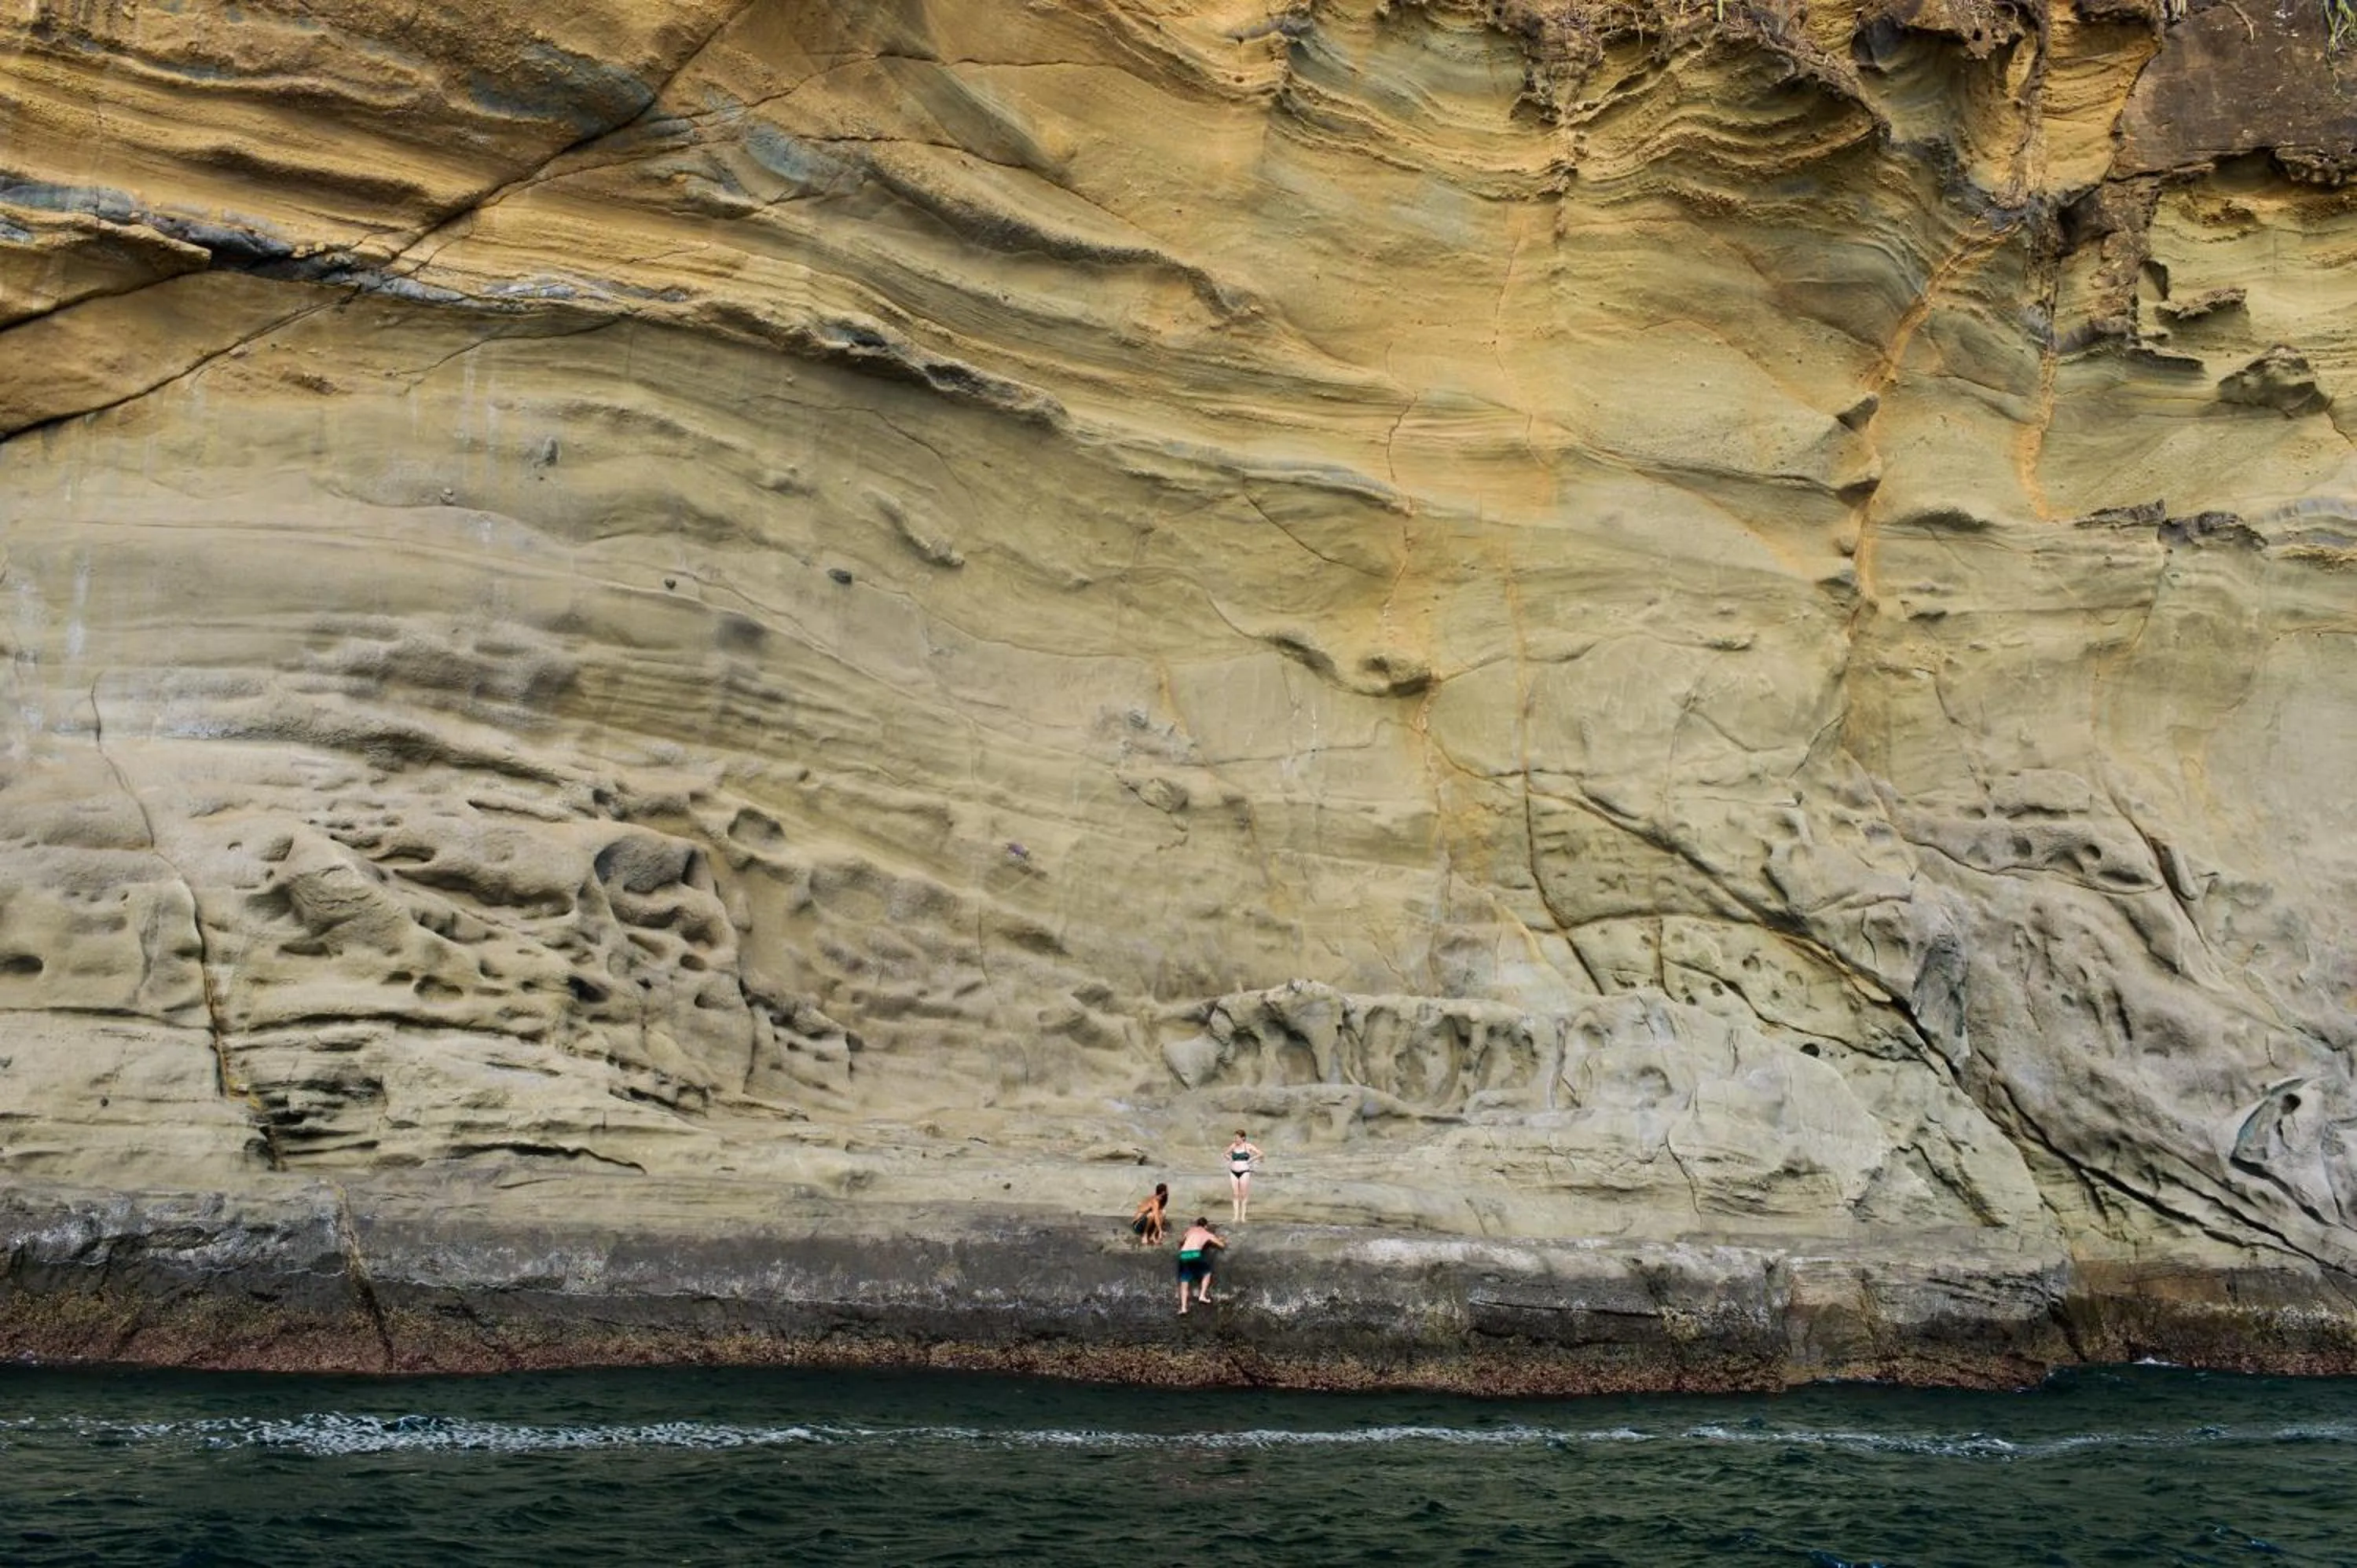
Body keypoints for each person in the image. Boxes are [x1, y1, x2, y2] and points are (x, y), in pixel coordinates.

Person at [1175, 1217, 1226, 1313]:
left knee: (1184, 1282)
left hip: (1183, 1255)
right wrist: (1221, 1240)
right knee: (1207, 1273)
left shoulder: (1190, 1230)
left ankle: (1184, 1308)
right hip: (1194, 1254)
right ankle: (1202, 1296)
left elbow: (1181, 1241)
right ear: (1206, 1226)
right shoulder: (1207, 1233)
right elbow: (1221, 1245)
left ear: (1197, 1224)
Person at [1225, 1130, 1264, 1223]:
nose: (1236, 1139)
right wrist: (1231, 1160)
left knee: (1243, 1194)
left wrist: (1251, 1160)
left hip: (1245, 1171)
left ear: (1243, 1138)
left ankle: (1243, 1217)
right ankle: (1235, 1217)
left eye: (1238, 1138)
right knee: (1235, 1194)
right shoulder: (1233, 1145)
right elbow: (1225, 1154)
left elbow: (1261, 1153)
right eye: (1235, 1138)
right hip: (1233, 1171)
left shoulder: (1248, 1146)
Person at [1129, 1182, 1169, 1246]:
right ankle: (1145, 1234)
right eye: (1167, 1190)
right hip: (1138, 1225)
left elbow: (1160, 1213)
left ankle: (1153, 1235)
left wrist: (1160, 1229)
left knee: (1163, 1212)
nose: (1168, 1191)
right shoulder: (1155, 1201)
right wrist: (1160, 1230)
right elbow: (1155, 1217)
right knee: (1152, 1214)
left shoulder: (1163, 1199)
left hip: (1146, 1222)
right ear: (1163, 1192)